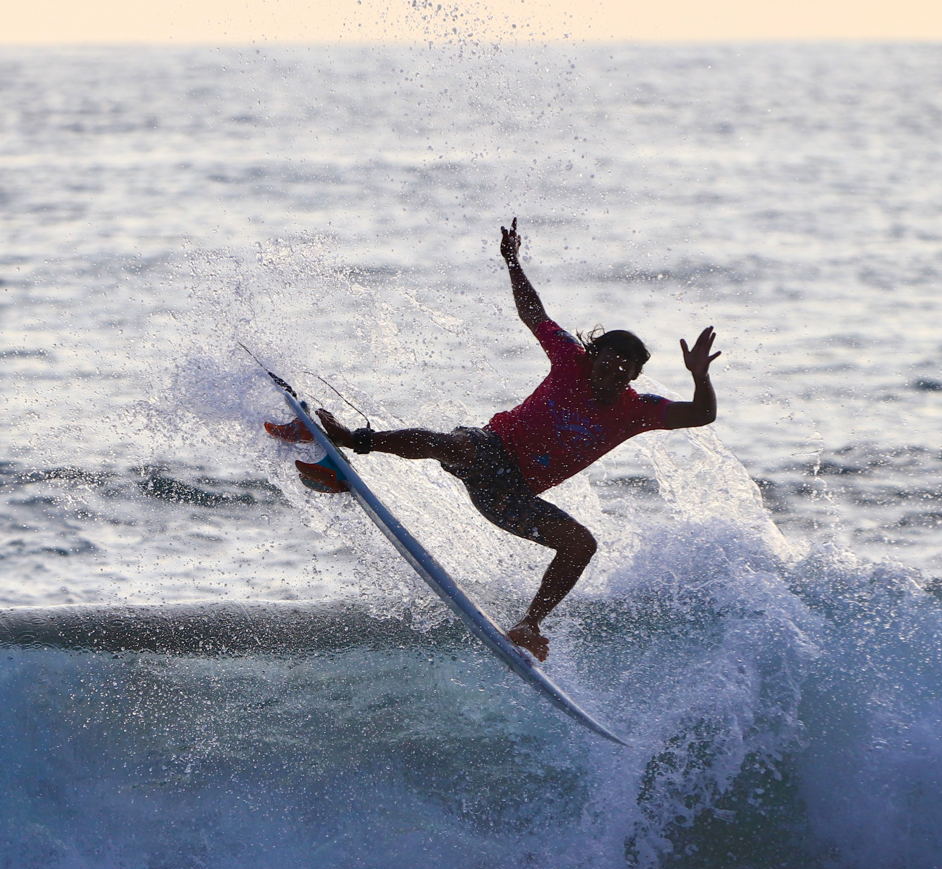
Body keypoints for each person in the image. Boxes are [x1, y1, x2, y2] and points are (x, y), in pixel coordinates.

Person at [267, 219, 720, 661]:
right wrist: (512, 262)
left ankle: (529, 623)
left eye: (628, 365)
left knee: (581, 544)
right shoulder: (569, 359)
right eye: (611, 357)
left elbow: (702, 414)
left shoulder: (636, 411)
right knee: (455, 446)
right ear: (594, 354)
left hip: (511, 497)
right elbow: (533, 314)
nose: (617, 368)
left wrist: (699, 377)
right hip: (491, 447)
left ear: (637, 375)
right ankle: (353, 439)